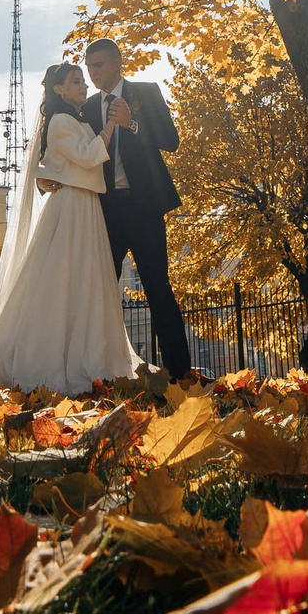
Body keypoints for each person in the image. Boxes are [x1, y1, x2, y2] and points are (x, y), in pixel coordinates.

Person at [0, 63, 141, 393]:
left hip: (85, 204)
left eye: (84, 81)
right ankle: (48, 357)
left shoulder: (75, 120)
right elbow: (88, 157)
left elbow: (56, 164)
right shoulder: (60, 121)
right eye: (76, 81)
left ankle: (86, 353)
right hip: (72, 206)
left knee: (83, 280)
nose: (84, 86)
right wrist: (112, 126)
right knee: (63, 279)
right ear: (58, 89)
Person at [82, 36, 194, 379]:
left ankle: (179, 374)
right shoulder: (86, 107)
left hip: (143, 207)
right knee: (100, 291)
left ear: (117, 62)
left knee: (158, 287)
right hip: (104, 210)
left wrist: (131, 124)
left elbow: (171, 141)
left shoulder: (146, 92)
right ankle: (97, 371)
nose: (93, 73)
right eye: (88, 67)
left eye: (99, 65)